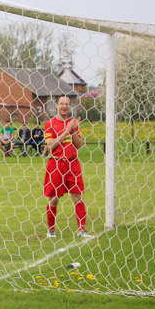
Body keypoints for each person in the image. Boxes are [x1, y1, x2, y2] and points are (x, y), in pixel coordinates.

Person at [44, 96, 90, 239]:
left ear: (70, 107)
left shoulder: (73, 123)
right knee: (54, 199)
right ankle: (51, 230)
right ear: (56, 105)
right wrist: (66, 131)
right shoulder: (50, 123)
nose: (64, 106)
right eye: (62, 103)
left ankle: (81, 230)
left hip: (73, 163)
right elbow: (50, 144)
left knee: (78, 197)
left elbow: (79, 145)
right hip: (56, 163)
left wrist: (74, 130)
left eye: (67, 104)